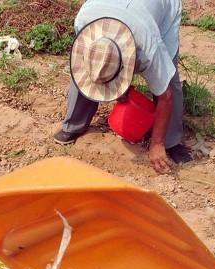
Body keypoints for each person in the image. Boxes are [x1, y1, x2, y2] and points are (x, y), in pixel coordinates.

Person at [53, 0, 193, 173]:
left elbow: (166, 96)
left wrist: (157, 143)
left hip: (161, 7)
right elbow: (97, 61)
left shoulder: (148, 48)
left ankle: (171, 141)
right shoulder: (83, 22)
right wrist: (117, 83)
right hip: (110, 10)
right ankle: (73, 125)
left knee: (168, 78)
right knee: (89, 67)